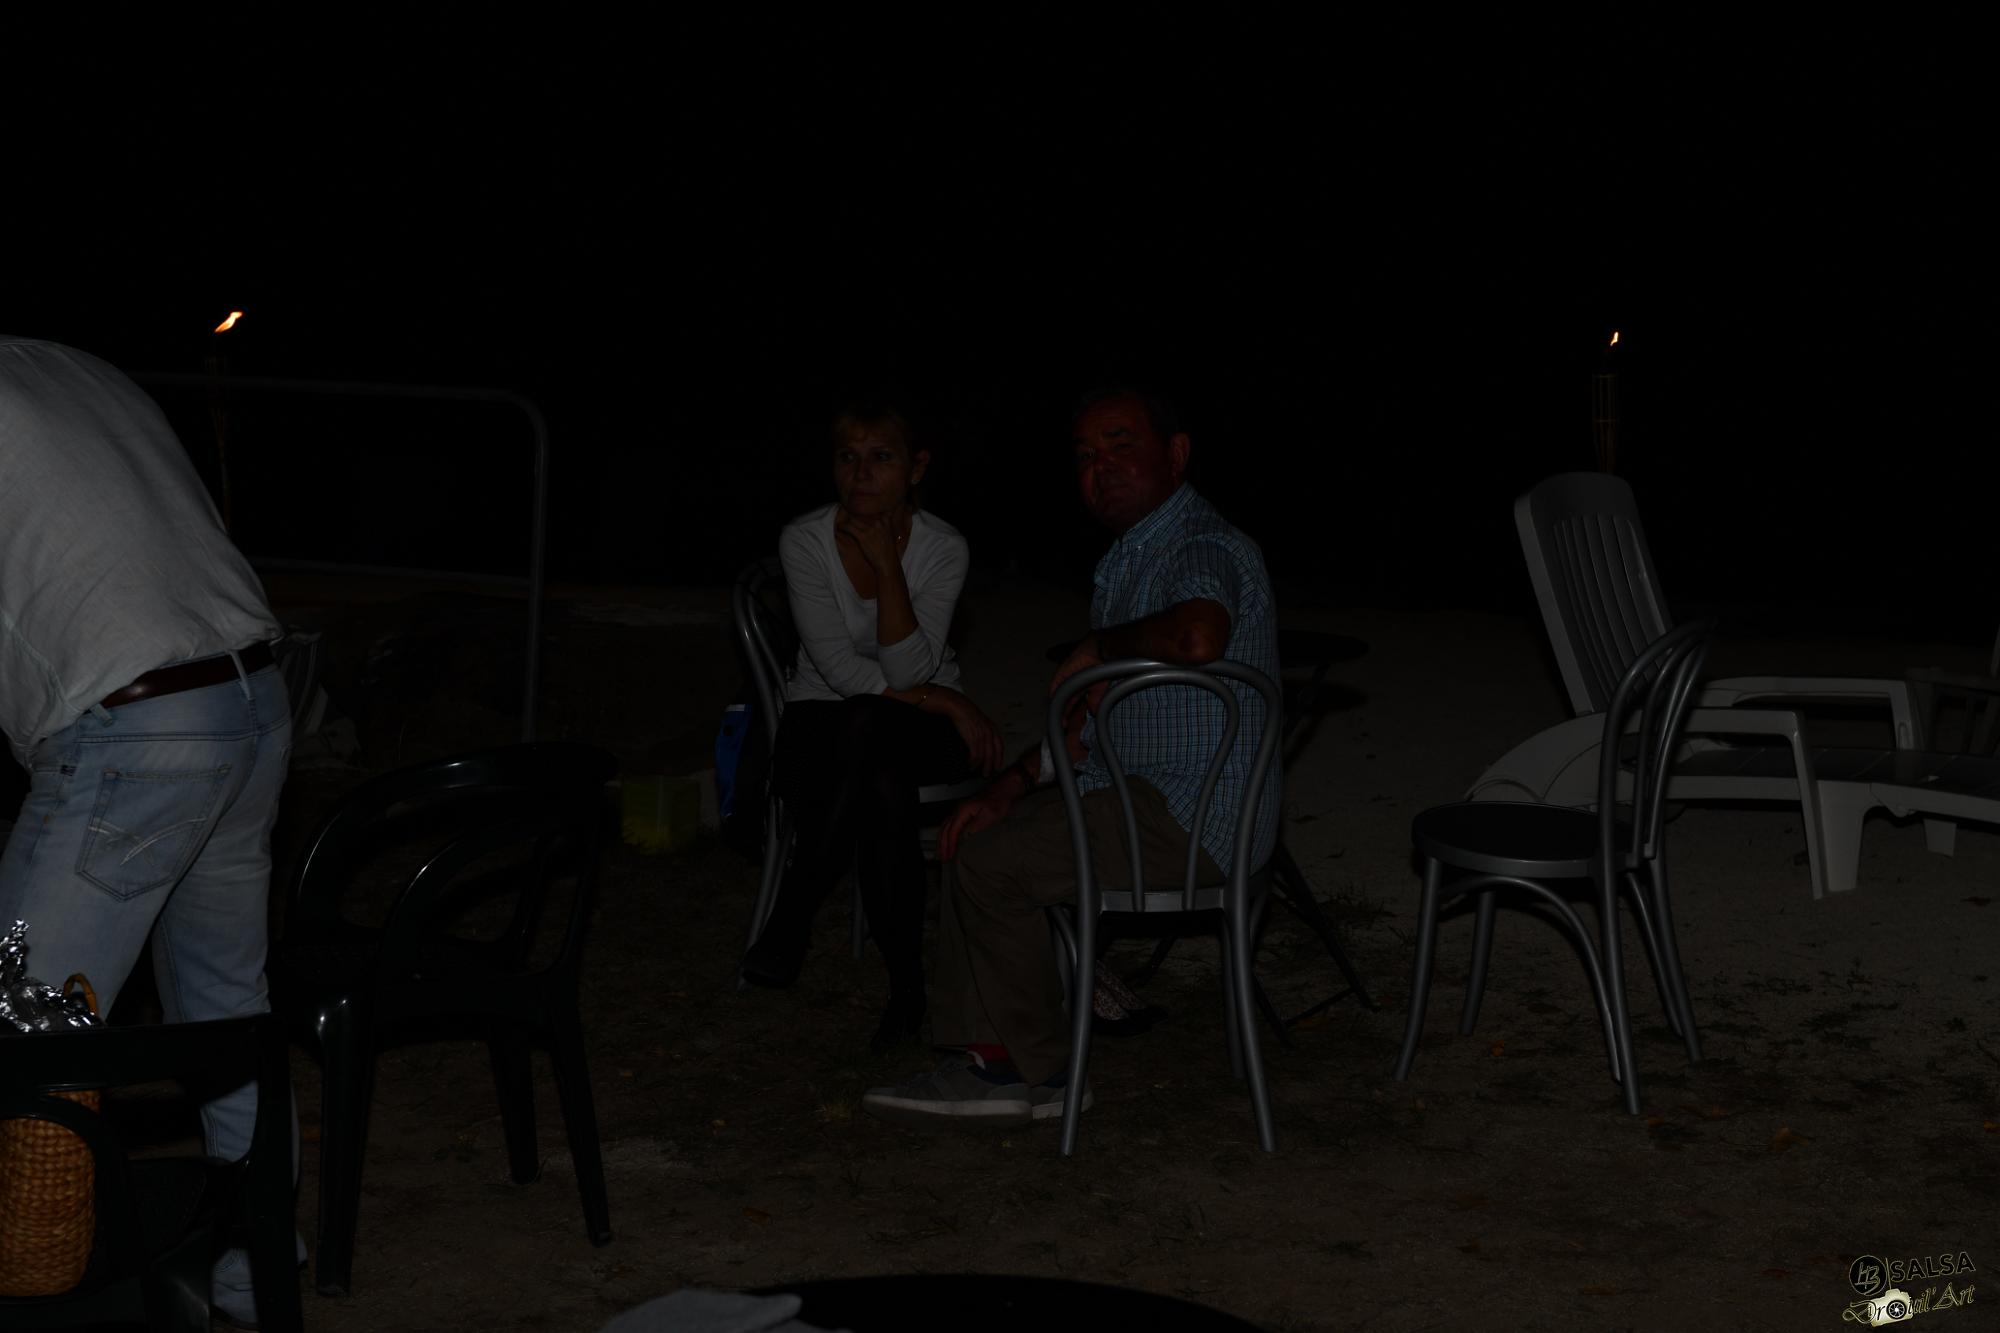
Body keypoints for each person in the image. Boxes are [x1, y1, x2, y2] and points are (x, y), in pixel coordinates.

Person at [862, 386, 1280, 1126]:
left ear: (1175, 454)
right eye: (1085, 455)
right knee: (980, 830)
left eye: (1121, 445)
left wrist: (1099, 644)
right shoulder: (1131, 562)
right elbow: (1085, 728)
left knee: (991, 863)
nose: (1101, 466)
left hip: (1188, 818)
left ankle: (1030, 1071)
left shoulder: (1200, 545)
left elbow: (1198, 636)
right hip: (1139, 801)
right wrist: (1010, 785)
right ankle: (992, 1057)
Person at [0, 336, 294, 1327]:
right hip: (251, 701)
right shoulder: (68, 364)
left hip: (136, 729)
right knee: (226, 1005)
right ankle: (256, 1273)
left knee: (25, 1020)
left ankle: (46, 1289)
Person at [740, 404, 1002, 1050]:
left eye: (881, 456)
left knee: (874, 736)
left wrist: (888, 567)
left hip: (911, 731)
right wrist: (944, 700)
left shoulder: (943, 548)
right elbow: (834, 668)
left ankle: (796, 909)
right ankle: (909, 990)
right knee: (877, 766)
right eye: (847, 457)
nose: (861, 473)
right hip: (823, 719)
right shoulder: (804, 540)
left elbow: (907, 665)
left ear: (916, 468)